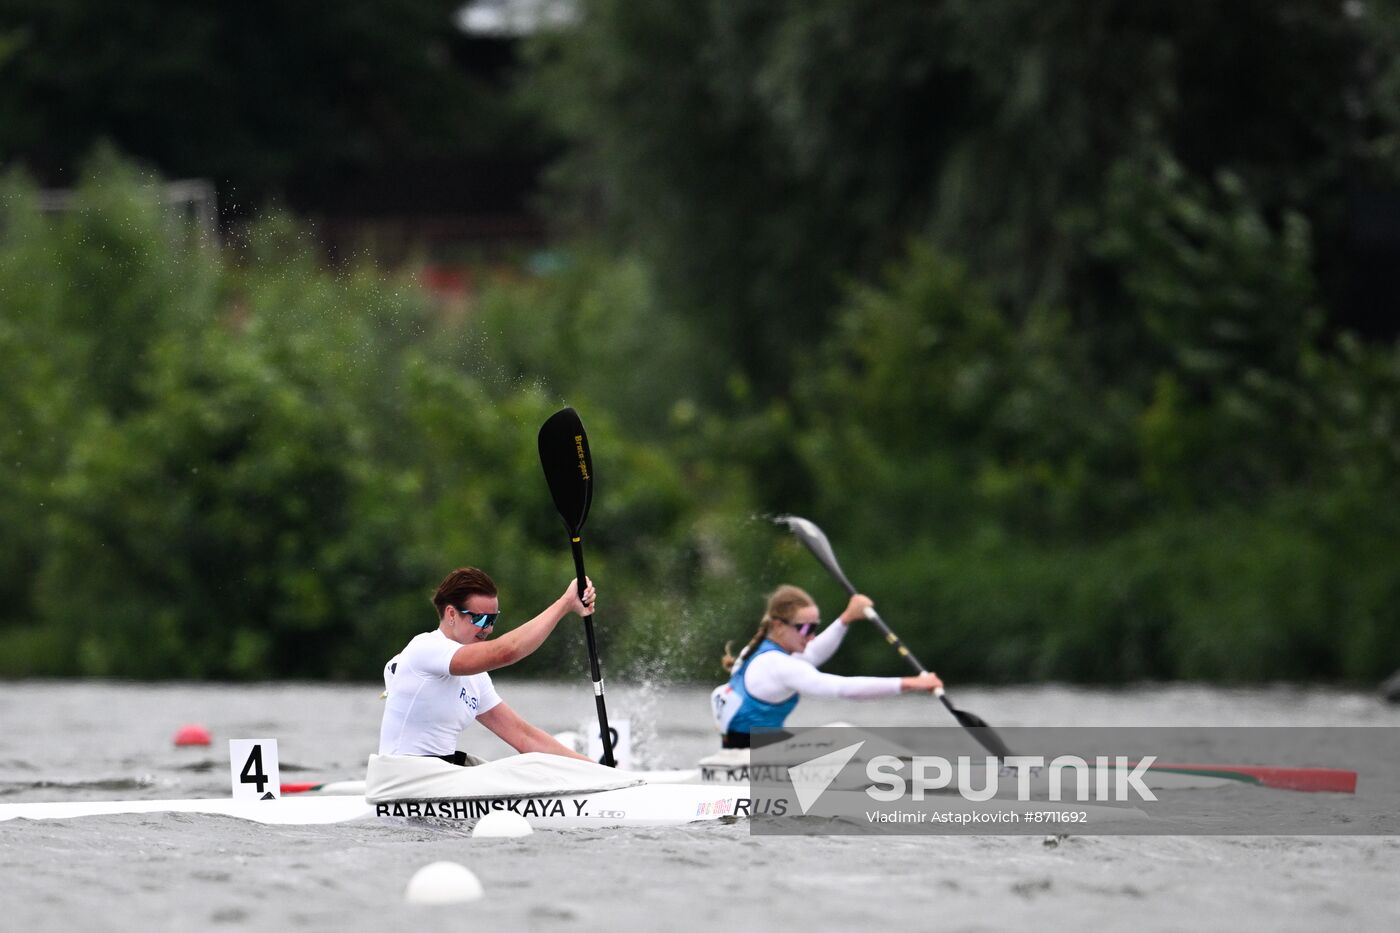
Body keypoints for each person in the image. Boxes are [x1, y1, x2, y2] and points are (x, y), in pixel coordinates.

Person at [379, 566, 595, 763]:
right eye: (482, 620)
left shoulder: (475, 677)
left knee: (524, 770)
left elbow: (525, 738)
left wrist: (601, 772)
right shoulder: (425, 648)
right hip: (402, 783)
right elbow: (507, 651)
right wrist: (565, 604)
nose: (489, 629)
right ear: (452, 613)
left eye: (493, 620)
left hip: (439, 775)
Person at [710, 585, 943, 748]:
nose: (811, 636)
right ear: (779, 626)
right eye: (805, 629)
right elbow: (842, 688)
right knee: (844, 734)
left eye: (815, 627)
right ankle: (926, 782)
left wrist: (846, 618)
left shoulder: (754, 653)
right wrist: (912, 683)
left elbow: (813, 653)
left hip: (738, 756)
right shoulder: (779, 665)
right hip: (756, 764)